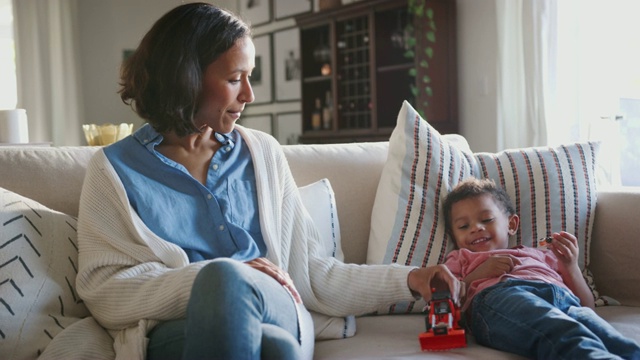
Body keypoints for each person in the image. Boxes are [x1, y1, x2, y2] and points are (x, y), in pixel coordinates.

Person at [75, 3, 463, 360]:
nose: (249, 94)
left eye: (249, 77)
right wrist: (217, 277)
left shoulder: (261, 153)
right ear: (186, 79)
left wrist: (411, 278)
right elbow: (106, 292)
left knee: (244, 300)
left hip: (276, 307)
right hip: (178, 331)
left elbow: (314, 274)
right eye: (234, 78)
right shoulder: (113, 169)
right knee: (274, 347)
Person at [441, 177, 640, 359]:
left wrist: (570, 265)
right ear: (454, 236)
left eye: (486, 220)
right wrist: (479, 273)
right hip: (500, 297)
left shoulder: (542, 255)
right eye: (463, 226)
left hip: (565, 300)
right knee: (561, 331)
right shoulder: (460, 258)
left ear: (512, 224)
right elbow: (442, 299)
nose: (476, 228)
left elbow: (587, 305)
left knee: (609, 337)